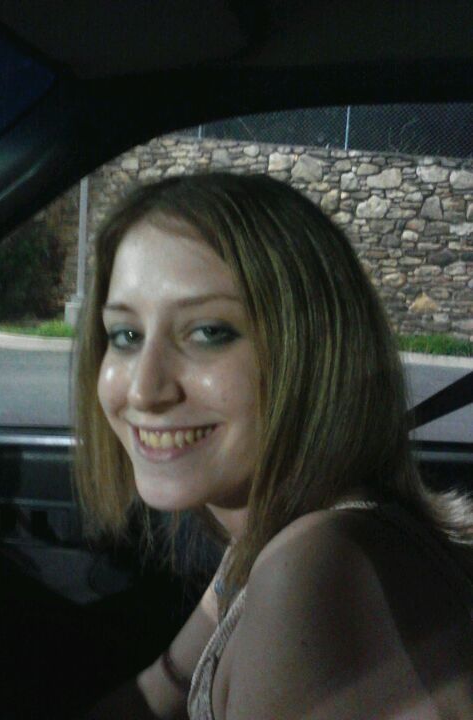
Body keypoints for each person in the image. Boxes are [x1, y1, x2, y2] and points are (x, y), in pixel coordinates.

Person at [74, 171, 473, 719]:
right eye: (126, 335)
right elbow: (161, 688)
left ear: (314, 352)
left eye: (209, 332)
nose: (144, 389)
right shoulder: (271, 536)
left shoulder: (311, 571)